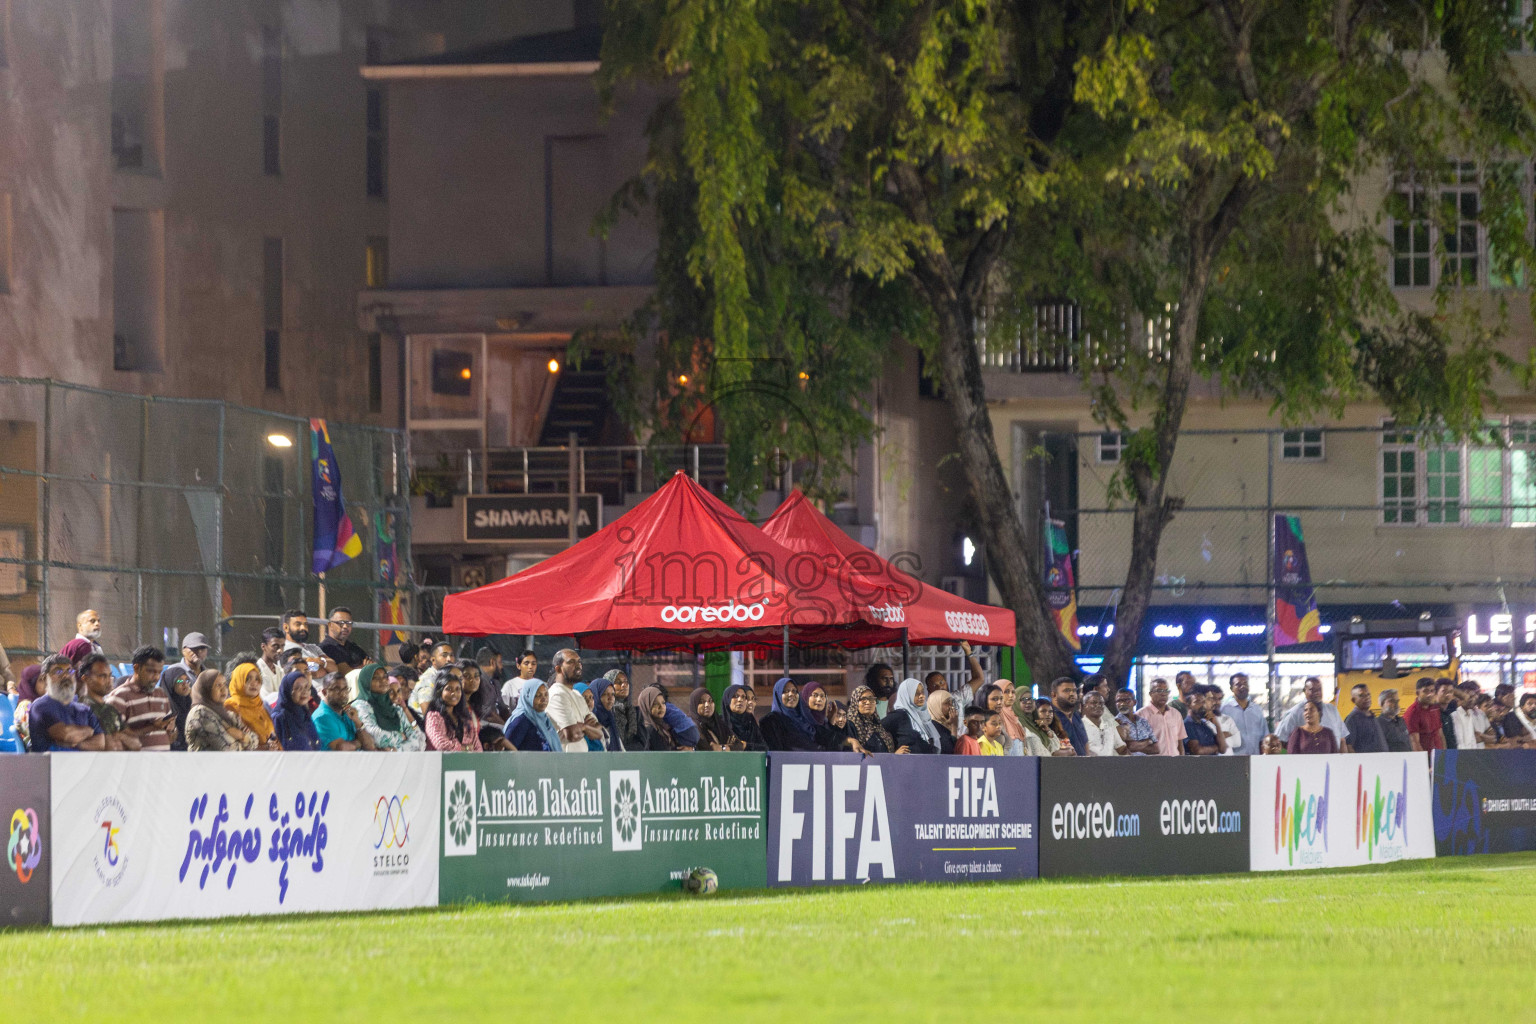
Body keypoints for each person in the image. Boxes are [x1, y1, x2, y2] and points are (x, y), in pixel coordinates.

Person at [27, 655, 106, 752]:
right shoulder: (40, 706)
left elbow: (101, 743)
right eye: (58, 671)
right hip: (50, 765)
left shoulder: (84, 708)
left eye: (70, 671)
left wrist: (76, 743)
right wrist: (89, 731)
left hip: (81, 765)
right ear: (44, 678)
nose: (65, 675)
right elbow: (68, 735)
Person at [108, 644, 177, 750]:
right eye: (151, 671)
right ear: (136, 668)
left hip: (162, 763)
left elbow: (168, 733)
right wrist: (151, 727)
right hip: (135, 763)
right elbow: (114, 736)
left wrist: (171, 730)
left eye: (159, 672)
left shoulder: (161, 694)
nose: (156, 677)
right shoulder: (119, 697)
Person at [349, 662, 425, 751]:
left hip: (399, 760)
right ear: (366, 682)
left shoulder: (395, 708)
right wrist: (401, 736)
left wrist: (395, 750)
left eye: (385, 676)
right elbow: (375, 736)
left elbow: (416, 740)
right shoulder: (360, 705)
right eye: (376, 678)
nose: (383, 681)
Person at [78, 653, 140, 751]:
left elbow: (136, 744)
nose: (108, 681)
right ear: (85, 679)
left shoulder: (110, 709)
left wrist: (120, 736)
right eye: (102, 676)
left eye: (109, 676)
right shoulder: (81, 708)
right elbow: (104, 745)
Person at [158, 633, 210, 749]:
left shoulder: (209, 675)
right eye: (193, 648)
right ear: (183, 651)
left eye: (202, 648)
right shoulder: (174, 672)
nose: (198, 652)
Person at [185, 669, 259, 751]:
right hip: (204, 763)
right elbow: (229, 748)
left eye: (224, 684)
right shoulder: (200, 713)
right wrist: (246, 741)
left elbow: (255, 740)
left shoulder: (227, 714)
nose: (223, 689)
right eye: (218, 685)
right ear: (206, 689)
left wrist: (242, 736)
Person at [545, 649, 602, 752]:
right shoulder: (557, 694)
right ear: (558, 669)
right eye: (571, 662)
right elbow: (572, 735)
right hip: (564, 762)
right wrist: (586, 727)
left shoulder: (577, 695)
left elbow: (598, 733)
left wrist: (582, 727)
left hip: (580, 760)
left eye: (579, 661)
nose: (578, 665)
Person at [313, 672, 379, 751]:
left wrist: (357, 722)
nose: (343, 693)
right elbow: (341, 748)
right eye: (337, 689)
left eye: (345, 689)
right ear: (324, 692)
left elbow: (370, 746)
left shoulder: (347, 713)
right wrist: (360, 742)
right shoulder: (322, 717)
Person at [1274, 677, 1347, 748]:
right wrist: (1299, 750)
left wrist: (1344, 759)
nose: (1317, 693)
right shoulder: (1294, 713)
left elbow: (1342, 739)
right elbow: (1280, 739)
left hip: (1333, 759)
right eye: (1312, 690)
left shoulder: (1332, 710)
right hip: (1305, 759)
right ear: (1304, 691)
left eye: (1319, 689)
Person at [224, 662, 279, 750]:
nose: (254, 683)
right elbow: (233, 743)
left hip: (271, 759)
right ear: (238, 681)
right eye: (247, 679)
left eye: (257, 679)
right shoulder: (230, 706)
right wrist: (264, 748)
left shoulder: (263, 705)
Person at [425, 670, 482, 751]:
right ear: (439, 692)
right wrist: (465, 748)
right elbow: (441, 745)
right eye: (449, 689)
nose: (454, 693)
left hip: (465, 762)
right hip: (441, 762)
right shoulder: (433, 716)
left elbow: (477, 747)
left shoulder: (465, 717)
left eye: (457, 689)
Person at [881, 677, 941, 754]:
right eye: (916, 693)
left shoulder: (925, 716)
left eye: (922, 692)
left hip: (927, 763)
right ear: (906, 695)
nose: (921, 696)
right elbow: (876, 730)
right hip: (907, 763)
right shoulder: (899, 715)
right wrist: (893, 755)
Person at [762, 677, 822, 751]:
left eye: (794, 691)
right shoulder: (771, 721)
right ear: (778, 695)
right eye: (785, 691)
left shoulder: (804, 718)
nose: (791, 694)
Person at [503, 678, 563, 752]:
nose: (544, 699)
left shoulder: (545, 720)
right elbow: (508, 751)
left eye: (546, 694)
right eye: (538, 695)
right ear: (528, 696)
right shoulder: (521, 721)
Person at [271, 670, 320, 751]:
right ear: (287, 691)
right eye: (298, 688)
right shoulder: (280, 717)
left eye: (307, 687)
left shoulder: (304, 713)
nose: (304, 692)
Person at [1221, 673, 1267, 756]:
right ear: (1231, 688)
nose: (1242, 686)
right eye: (1238, 684)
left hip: (1254, 760)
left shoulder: (1257, 710)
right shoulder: (1224, 710)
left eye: (1245, 683)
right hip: (1232, 760)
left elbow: (1264, 737)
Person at [1138, 678, 1186, 756]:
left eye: (1166, 691)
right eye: (1159, 691)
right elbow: (1138, 746)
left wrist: (1182, 761)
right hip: (1153, 764)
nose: (1163, 694)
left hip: (1175, 763)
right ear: (1151, 694)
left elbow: (1180, 742)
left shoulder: (1176, 714)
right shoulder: (1141, 715)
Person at [846, 684, 900, 753]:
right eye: (863, 699)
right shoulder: (850, 725)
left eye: (871, 699)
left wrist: (895, 756)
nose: (868, 702)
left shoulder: (878, 726)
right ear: (855, 702)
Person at [718, 684, 769, 751]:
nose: (740, 700)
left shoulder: (750, 723)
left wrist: (745, 745)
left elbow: (764, 748)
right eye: (736, 696)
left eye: (743, 697)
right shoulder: (720, 723)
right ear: (727, 699)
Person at [635, 685, 688, 750]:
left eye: (663, 703)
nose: (661, 707)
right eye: (655, 704)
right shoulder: (649, 731)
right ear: (646, 706)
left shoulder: (663, 728)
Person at [319, 607, 368, 675]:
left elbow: (374, 668)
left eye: (349, 623)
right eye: (341, 623)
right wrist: (365, 669)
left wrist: (363, 669)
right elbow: (348, 674)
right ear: (330, 625)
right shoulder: (326, 648)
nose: (345, 626)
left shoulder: (354, 647)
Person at [410, 642, 457, 712]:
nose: (449, 659)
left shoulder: (447, 677)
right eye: (444, 655)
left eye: (451, 655)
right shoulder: (427, 680)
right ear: (433, 660)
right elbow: (428, 714)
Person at [1402, 677, 1445, 752]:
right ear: (1417, 693)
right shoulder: (1412, 713)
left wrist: (1445, 754)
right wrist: (1424, 761)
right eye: (1426, 691)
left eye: (1432, 691)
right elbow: (1414, 742)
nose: (1430, 694)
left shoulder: (1435, 708)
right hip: (1425, 758)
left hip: (1439, 756)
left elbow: (1440, 734)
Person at [604, 668, 644, 750]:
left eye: (626, 682)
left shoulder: (632, 710)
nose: (624, 685)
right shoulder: (608, 711)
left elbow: (642, 741)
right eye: (618, 682)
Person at [1049, 677, 1089, 755]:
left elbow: (1085, 743)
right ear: (1054, 695)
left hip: (1084, 764)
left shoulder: (1076, 716)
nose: (1072, 694)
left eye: (1074, 690)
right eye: (1066, 691)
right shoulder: (1050, 717)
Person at [1114, 689, 1160, 755]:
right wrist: (1148, 742)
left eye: (1126, 700)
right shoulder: (1115, 723)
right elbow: (1127, 748)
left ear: (1135, 702)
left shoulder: (1144, 722)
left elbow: (1156, 749)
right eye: (1119, 701)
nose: (1122, 703)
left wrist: (1135, 746)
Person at [1345, 683, 1388, 753]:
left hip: (1382, 761)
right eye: (1361, 696)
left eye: (1368, 694)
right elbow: (1348, 746)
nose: (1367, 698)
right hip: (1365, 763)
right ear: (1353, 700)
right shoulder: (1352, 719)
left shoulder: (1372, 716)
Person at [589, 676, 628, 751]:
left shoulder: (611, 720)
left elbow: (622, 751)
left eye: (613, 694)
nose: (610, 698)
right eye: (604, 694)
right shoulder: (590, 720)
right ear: (595, 696)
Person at [1183, 687, 1226, 755]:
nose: (1201, 705)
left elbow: (1223, 749)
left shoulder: (1204, 724)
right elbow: (1197, 751)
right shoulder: (1187, 724)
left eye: (1203, 702)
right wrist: (1216, 748)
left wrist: (1217, 725)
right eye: (1197, 702)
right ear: (1188, 705)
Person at [1452, 681, 1494, 750]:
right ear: (1459, 697)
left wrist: (1482, 737)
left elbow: (1493, 738)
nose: (1475, 698)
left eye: (1476, 694)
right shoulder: (1453, 716)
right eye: (1470, 696)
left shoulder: (1480, 714)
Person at [1082, 691, 1124, 756]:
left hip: (1111, 764)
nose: (1098, 705)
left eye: (1101, 703)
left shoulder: (1110, 725)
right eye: (1094, 703)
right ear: (1085, 706)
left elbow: (1122, 749)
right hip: (1090, 764)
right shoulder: (1079, 727)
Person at [573, 684, 607, 751]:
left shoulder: (592, 718)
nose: (589, 701)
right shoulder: (570, 720)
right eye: (584, 698)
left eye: (591, 697)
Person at [1377, 689, 1413, 753]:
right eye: (1392, 701)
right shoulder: (1377, 724)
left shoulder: (1401, 721)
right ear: (1382, 703)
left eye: (1397, 701)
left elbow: (1408, 743)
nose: (1396, 704)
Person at [255, 627, 286, 702]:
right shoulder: (257, 670)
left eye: (282, 646)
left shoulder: (279, 670)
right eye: (275, 646)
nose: (280, 650)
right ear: (263, 647)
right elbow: (268, 701)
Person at [925, 689, 959, 754]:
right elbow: (949, 750)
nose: (951, 706)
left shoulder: (944, 725)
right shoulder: (932, 727)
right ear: (935, 705)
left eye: (951, 703)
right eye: (946, 703)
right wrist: (954, 727)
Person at [1436, 678, 1461, 750]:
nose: (1448, 695)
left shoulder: (1448, 715)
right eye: (1444, 691)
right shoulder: (1433, 713)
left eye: (1450, 692)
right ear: (1436, 692)